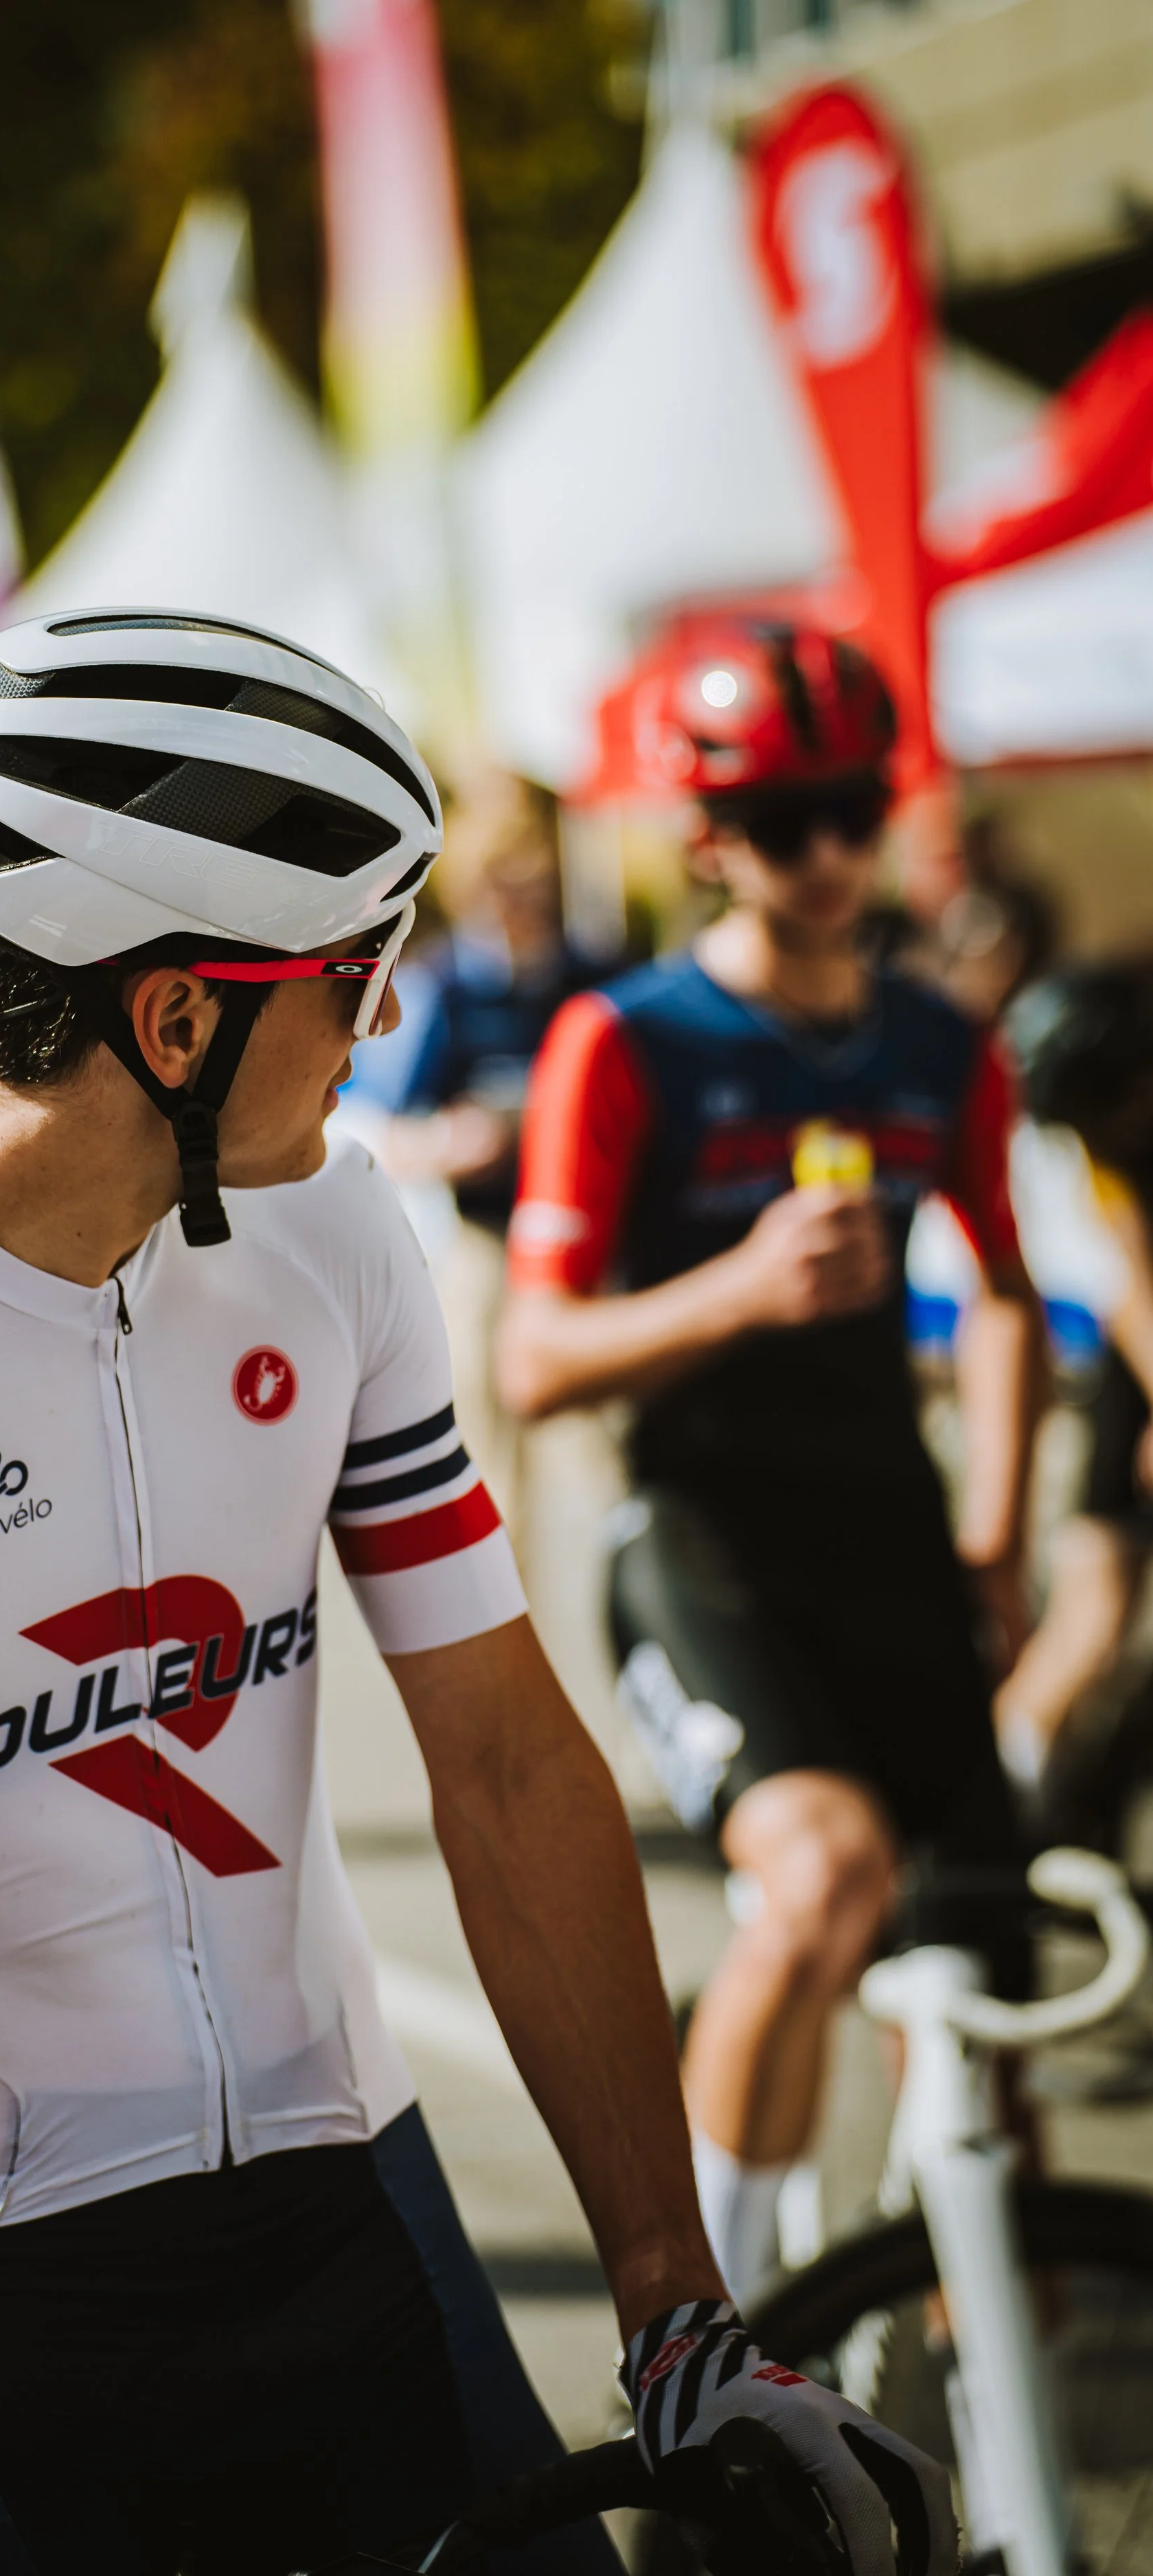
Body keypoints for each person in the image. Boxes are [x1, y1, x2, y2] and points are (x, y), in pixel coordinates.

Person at [0, 611, 950, 2576]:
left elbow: (498, 1751)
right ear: (179, 1018)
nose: (385, 1021)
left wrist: (673, 2299)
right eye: (352, 970)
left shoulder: (330, 1226)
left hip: (348, 2201)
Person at [496, 618, 1045, 2310]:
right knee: (816, 1886)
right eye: (789, 816)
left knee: (976, 1991)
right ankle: (700, 2347)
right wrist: (741, 1286)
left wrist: (1000, 1533)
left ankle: (975, 2351)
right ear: (710, 836)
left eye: (856, 807)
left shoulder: (936, 1041)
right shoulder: (628, 1037)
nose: (831, 851)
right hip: (706, 1532)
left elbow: (1010, 1296)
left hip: (892, 1530)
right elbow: (533, 1357)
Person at [994, 965, 1153, 1818]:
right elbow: (1129, 1277)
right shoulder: (1100, 1141)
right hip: (1134, 1381)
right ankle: (992, 1818)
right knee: (1089, 1611)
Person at [363, 769, 606, 1234]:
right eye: (504, 888)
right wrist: (455, 1142)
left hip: (589, 1221)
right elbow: (374, 1133)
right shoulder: (436, 990)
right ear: (472, 890)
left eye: (535, 885)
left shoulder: (593, 980)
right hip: (486, 1230)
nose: (521, 907)